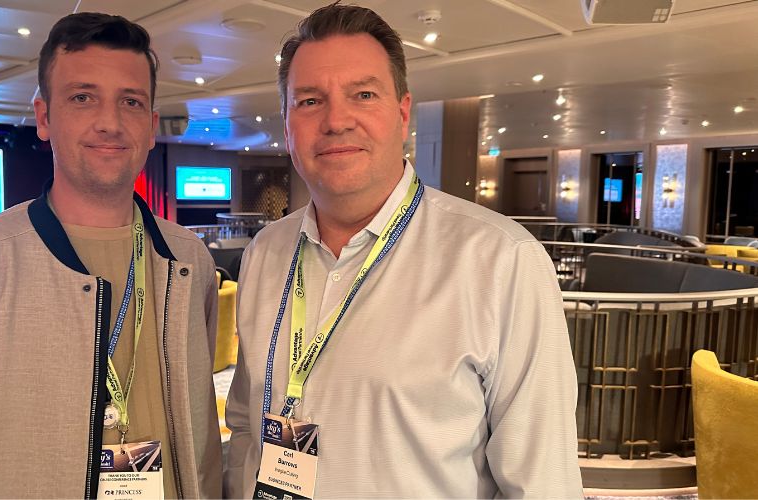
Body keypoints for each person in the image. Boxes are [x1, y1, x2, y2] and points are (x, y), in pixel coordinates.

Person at [223, 3, 582, 498]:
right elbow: (246, 424)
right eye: (309, 101)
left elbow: (543, 482)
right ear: (287, 125)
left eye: (363, 94)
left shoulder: (501, 261)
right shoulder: (265, 253)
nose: (336, 120)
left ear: (402, 112)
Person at [0, 12, 222, 498]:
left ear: (150, 127)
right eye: (83, 97)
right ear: (44, 117)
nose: (109, 122)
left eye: (130, 101)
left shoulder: (188, 260)